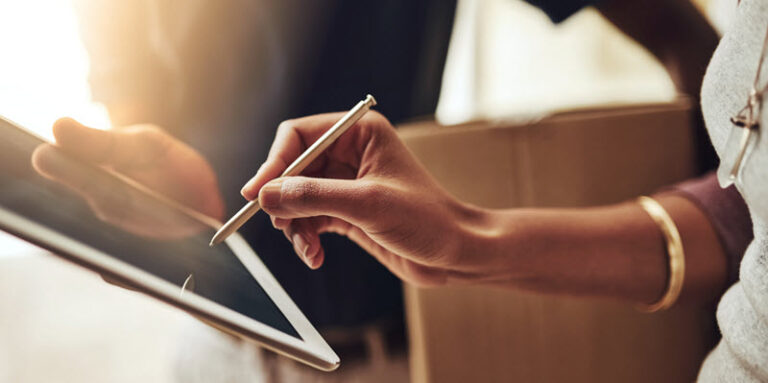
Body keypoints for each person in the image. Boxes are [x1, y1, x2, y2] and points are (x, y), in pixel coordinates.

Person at [49, 0, 755, 381]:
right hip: (215, 341)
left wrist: (729, 206)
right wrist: (176, 199)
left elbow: (678, 35)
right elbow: (133, 109)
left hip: (392, 349)